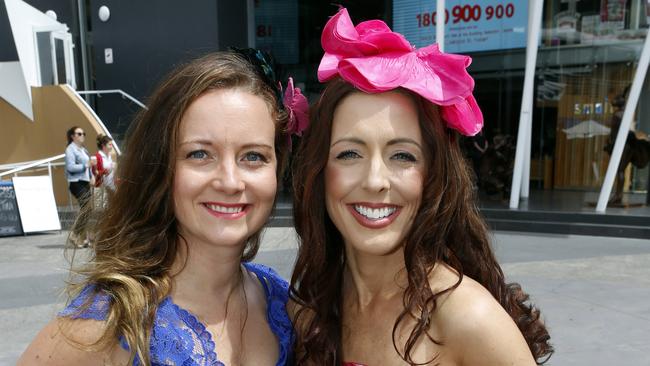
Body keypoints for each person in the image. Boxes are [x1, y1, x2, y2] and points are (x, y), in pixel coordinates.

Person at [290, 8, 552, 366]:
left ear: (434, 176)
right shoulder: (308, 310)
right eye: (349, 153)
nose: (375, 181)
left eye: (402, 156)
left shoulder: (469, 319)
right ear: (319, 172)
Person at [18, 50, 307, 365]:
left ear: (277, 170)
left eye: (253, 156)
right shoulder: (106, 326)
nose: (230, 181)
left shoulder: (282, 303)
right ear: (161, 167)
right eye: (199, 154)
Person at [64, 126, 95, 248]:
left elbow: (88, 166)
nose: (82, 135)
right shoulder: (70, 150)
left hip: (85, 181)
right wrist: (85, 165)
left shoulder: (83, 150)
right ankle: (75, 234)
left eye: (83, 133)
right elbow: (70, 167)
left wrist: (91, 175)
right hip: (76, 182)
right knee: (86, 208)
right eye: (79, 133)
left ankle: (83, 237)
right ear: (73, 136)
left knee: (87, 209)